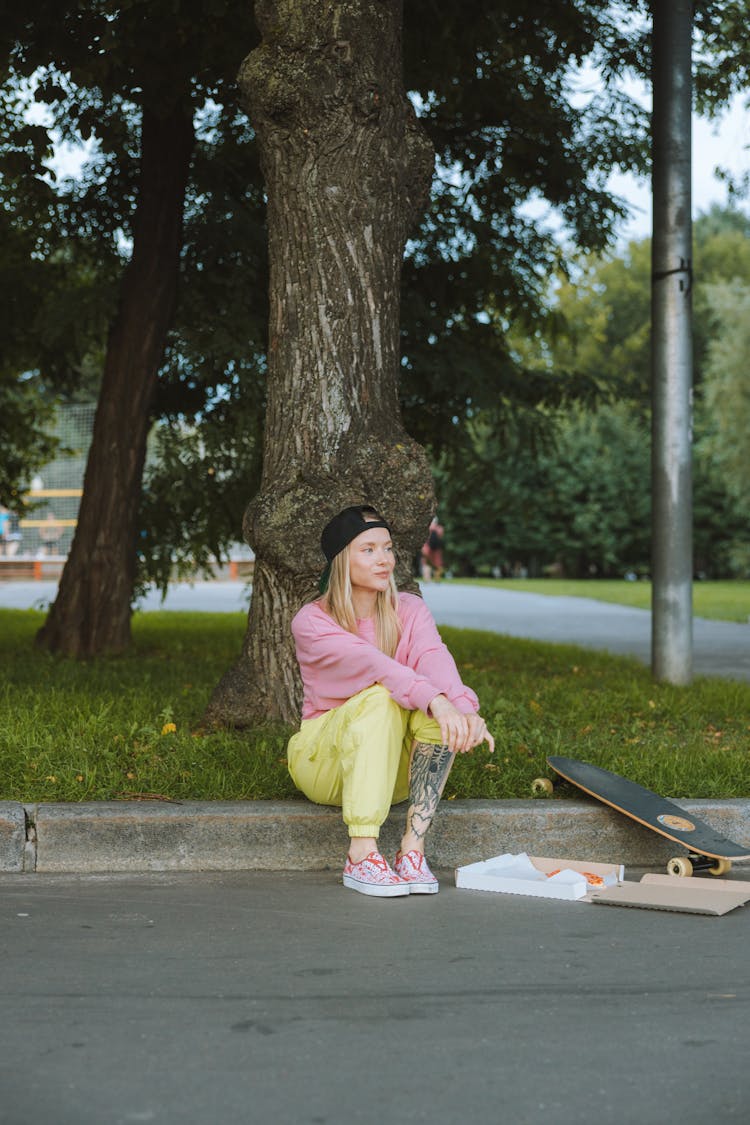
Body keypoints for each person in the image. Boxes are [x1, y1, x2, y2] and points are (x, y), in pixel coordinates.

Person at [287, 504, 494, 898]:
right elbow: (374, 665)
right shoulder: (312, 622)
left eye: (387, 548)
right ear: (340, 560)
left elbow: (434, 658)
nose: (384, 560)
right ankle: (362, 853)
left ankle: (411, 851)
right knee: (382, 699)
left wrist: (464, 710)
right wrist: (436, 699)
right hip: (323, 763)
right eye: (368, 550)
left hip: (390, 772)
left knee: (440, 712)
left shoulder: (410, 609)